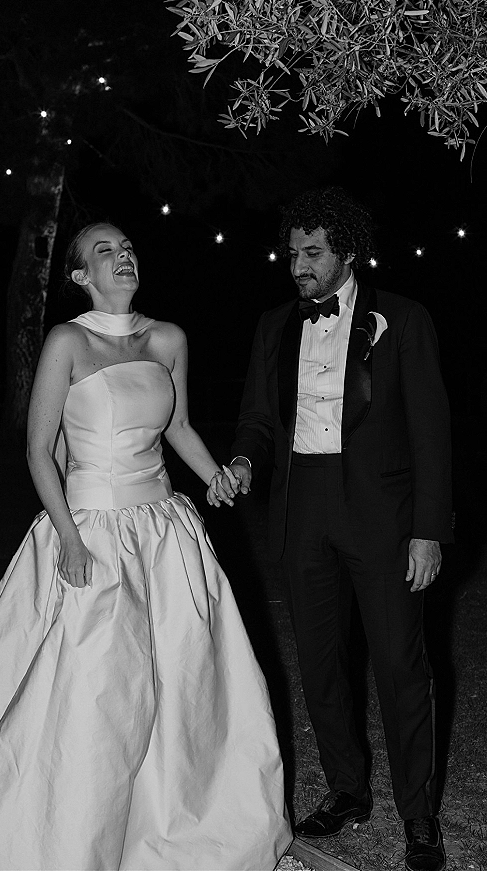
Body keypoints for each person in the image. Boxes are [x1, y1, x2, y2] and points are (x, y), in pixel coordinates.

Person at [0, 222, 292, 871]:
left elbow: (178, 425)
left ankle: (169, 824)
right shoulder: (67, 341)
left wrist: (215, 477)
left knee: (179, 681)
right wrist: (68, 537)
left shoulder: (168, 337)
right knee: (97, 689)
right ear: (79, 275)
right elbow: (39, 450)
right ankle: (67, 836)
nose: (122, 256)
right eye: (104, 251)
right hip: (90, 530)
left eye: (126, 248)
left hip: (163, 531)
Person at [213, 188, 452, 871]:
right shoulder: (273, 326)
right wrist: (243, 459)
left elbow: (432, 431)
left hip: (383, 514)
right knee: (320, 663)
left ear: (346, 252)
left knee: (400, 664)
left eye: (312, 253)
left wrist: (429, 529)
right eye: (292, 253)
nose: (298, 266)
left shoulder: (403, 319)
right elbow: (258, 419)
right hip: (302, 512)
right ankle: (348, 789)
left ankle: (418, 812)